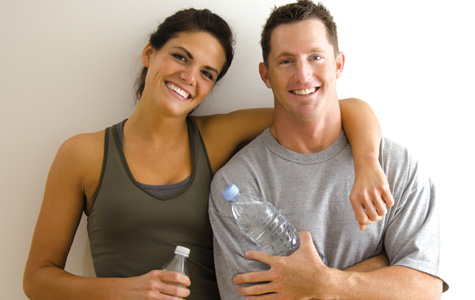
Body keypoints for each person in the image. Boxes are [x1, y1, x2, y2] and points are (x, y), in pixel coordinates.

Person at [23, 6, 391, 300]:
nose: (189, 77)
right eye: (181, 57)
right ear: (149, 53)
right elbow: (37, 280)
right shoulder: (82, 153)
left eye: (207, 73)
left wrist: (368, 165)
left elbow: (335, 110)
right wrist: (124, 290)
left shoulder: (215, 137)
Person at [209, 1, 448, 299]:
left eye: (315, 57)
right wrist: (382, 266)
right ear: (265, 74)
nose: (303, 75)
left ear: (338, 64)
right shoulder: (238, 186)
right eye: (286, 61)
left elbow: (425, 289)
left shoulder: (395, 165)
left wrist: (324, 283)